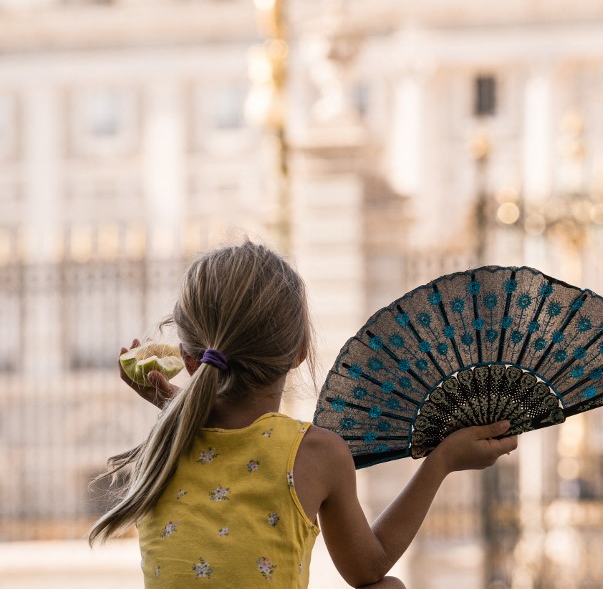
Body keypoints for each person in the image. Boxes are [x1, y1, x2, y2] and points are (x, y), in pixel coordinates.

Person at [89, 240, 518, 588]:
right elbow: (366, 569)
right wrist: (439, 462)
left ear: (186, 359)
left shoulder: (161, 448)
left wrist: (172, 409)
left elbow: (214, 443)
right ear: (299, 353)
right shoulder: (314, 453)